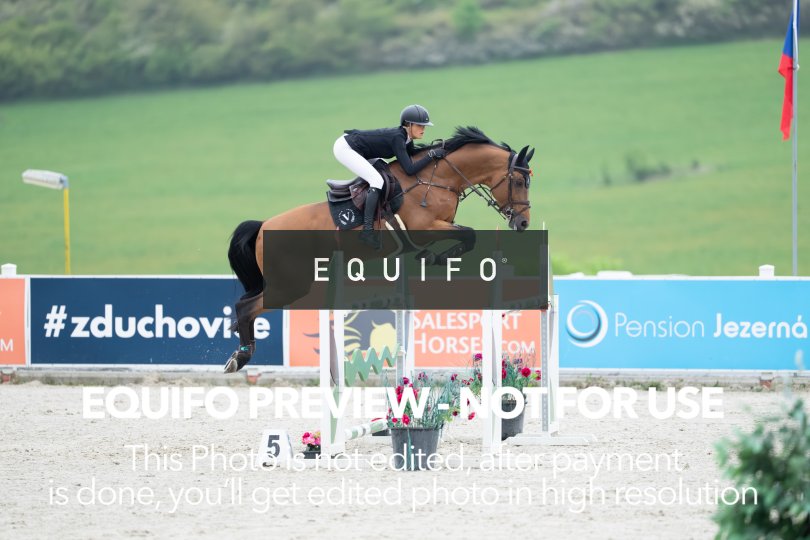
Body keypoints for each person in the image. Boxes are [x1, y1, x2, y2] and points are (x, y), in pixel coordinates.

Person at [333, 104, 447, 249]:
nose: (423, 129)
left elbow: (413, 154)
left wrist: (435, 149)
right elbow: (410, 170)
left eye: (424, 126)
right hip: (346, 148)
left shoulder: (406, 138)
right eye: (419, 125)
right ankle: (367, 231)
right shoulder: (398, 138)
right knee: (376, 180)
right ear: (408, 125)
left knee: (384, 170)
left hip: (360, 149)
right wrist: (431, 155)